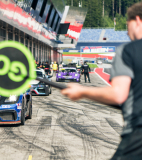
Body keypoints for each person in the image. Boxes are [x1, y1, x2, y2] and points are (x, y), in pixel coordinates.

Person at [61, 2, 142, 159]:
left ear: (137, 20)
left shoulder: (128, 51)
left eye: (127, 25)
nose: (126, 32)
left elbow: (118, 94)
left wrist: (82, 91)